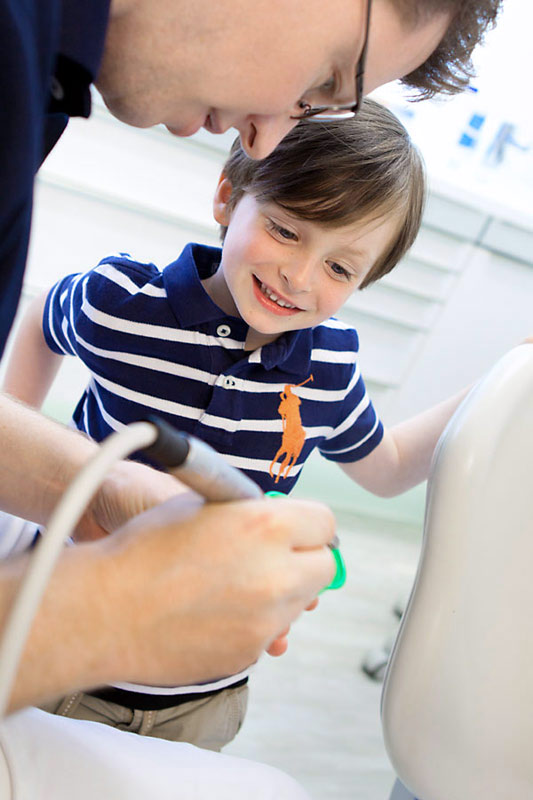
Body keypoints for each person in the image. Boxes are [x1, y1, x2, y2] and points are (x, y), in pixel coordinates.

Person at [0, 0, 502, 797]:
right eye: (289, 231)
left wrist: (504, 376)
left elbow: (386, 465)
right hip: (51, 643)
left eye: (341, 269)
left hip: (200, 694)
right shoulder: (119, 299)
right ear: (229, 199)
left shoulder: (329, 363)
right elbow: (40, 321)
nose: (301, 278)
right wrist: (19, 471)